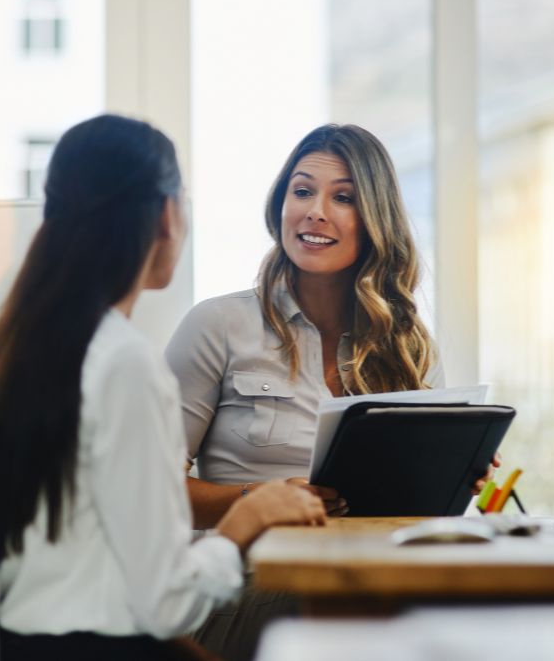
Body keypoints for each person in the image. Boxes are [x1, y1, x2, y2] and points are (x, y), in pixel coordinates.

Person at [0, 114, 327, 661]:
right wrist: (246, 520)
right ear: (166, 214)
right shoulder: (125, 363)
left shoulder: (9, 347)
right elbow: (167, 605)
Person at [166, 123, 500, 661]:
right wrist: (259, 503)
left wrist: (456, 473)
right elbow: (153, 494)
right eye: (302, 191)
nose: (315, 211)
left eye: (343, 197)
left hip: (369, 582)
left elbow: (421, 517)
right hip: (247, 590)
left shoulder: (409, 345)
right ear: (281, 205)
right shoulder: (217, 326)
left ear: (374, 220)